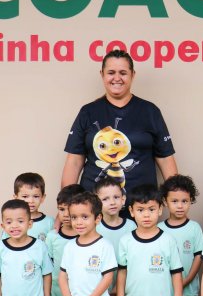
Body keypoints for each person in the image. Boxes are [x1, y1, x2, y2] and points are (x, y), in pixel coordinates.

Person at [61, 49, 178, 194]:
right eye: (111, 73)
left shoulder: (150, 111)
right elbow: (74, 161)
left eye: (123, 73)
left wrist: (176, 198)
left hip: (142, 204)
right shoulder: (88, 112)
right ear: (102, 75)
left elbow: (166, 160)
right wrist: (66, 202)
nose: (117, 78)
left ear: (132, 75)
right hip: (94, 203)